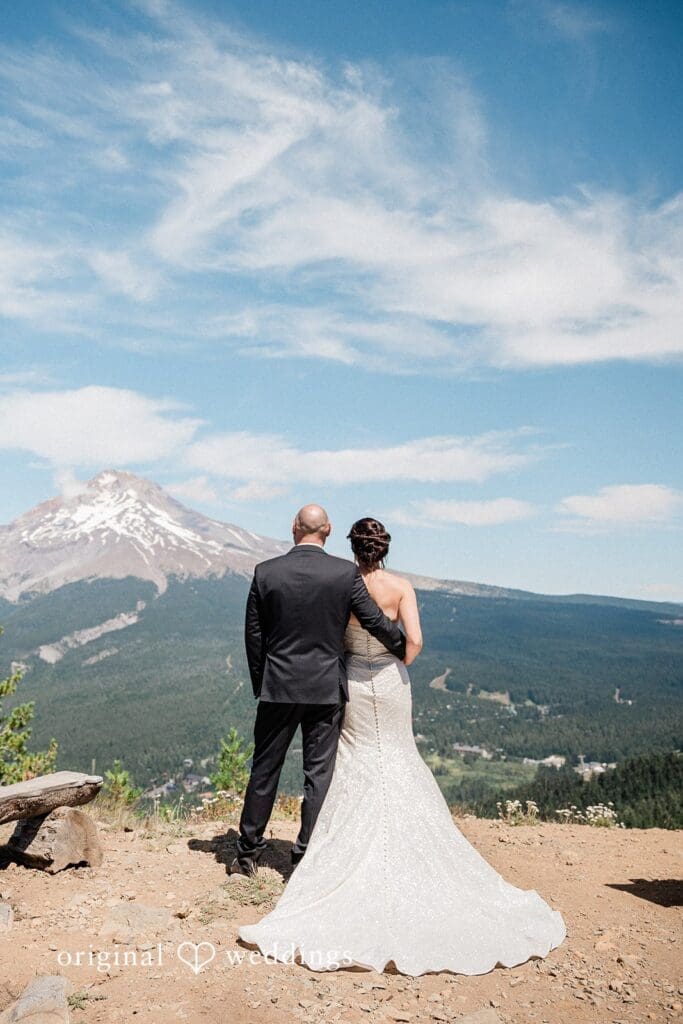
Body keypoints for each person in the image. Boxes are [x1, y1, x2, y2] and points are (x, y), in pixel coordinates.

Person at [238, 517, 567, 976]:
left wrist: (270, 680)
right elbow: (406, 638)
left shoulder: (306, 576)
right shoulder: (362, 581)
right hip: (371, 685)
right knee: (345, 767)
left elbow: (263, 635)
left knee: (308, 766)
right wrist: (394, 656)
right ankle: (309, 849)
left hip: (327, 683)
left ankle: (255, 852)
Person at [232, 505, 406, 876]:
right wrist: (401, 647)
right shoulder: (344, 573)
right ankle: (305, 857)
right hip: (326, 688)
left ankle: (247, 855)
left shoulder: (266, 572)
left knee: (265, 769)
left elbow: (254, 635)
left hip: (278, 687)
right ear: (327, 530)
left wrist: (262, 681)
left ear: (294, 527)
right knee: (318, 774)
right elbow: (374, 620)